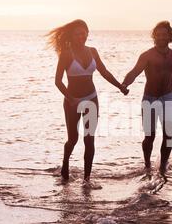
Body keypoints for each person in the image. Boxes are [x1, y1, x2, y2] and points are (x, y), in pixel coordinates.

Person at [47, 19, 128, 186]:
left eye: (84, 33)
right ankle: (65, 164)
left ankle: (87, 179)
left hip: (91, 99)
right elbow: (58, 81)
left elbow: (104, 72)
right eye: (78, 33)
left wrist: (120, 86)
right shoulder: (66, 54)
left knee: (89, 139)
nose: (81, 36)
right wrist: (71, 99)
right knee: (73, 139)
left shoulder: (93, 51)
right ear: (72, 35)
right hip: (72, 102)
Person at [122, 21, 172, 177]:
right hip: (150, 98)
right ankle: (147, 164)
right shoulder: (147, 55)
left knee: (168, 135)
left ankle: (163, 166)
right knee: (149, 136)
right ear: (154, 36)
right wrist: (124, 84)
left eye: (164, 34)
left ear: (169, 36)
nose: (161, 37)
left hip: (168, 98)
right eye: (158, 34)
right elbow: (134, 72)